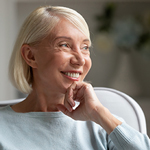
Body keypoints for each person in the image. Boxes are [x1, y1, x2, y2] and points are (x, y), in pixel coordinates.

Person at [0, 5, 149, 150]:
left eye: (85, 47)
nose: (80, 60)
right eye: (64, 45)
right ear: (30, 56)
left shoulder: (105, 124)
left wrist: (98, 113)